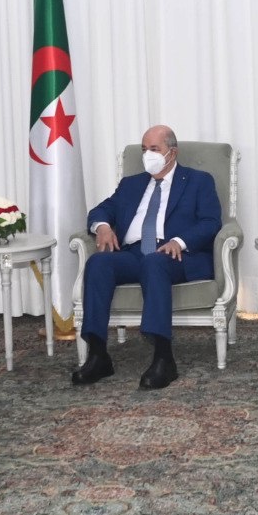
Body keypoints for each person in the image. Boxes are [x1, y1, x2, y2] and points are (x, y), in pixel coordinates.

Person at [73, 125, 222, 390]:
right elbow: (100, 210)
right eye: (144, 150)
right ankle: (98, 354)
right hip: (133, 254)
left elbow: (211, 222)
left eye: (154, 149)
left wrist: (179, 241)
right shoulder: (131, 184)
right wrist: (103, 226)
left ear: (172, 153)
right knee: (98, 263)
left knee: (154, 262)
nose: (147, 155)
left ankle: (164, 358)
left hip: (175, 256)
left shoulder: (199, 180)